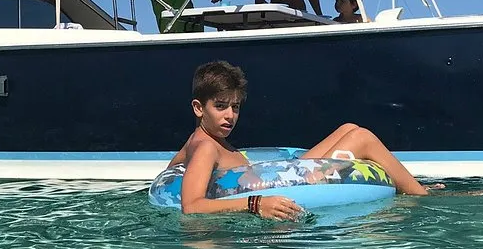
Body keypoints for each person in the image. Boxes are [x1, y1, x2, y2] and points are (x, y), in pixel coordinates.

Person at [168, 61, 433, 219]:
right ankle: (423, 196)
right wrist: (256, 203)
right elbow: (191, 206)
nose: (230, 115)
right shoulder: (206, 147)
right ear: (198, 108)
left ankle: (412, 187)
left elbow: (174, 167)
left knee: (349, 128)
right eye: (220, 106)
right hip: (286, 184)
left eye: (235, 107)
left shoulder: (197, 140)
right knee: (361, 137)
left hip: (287, 175)